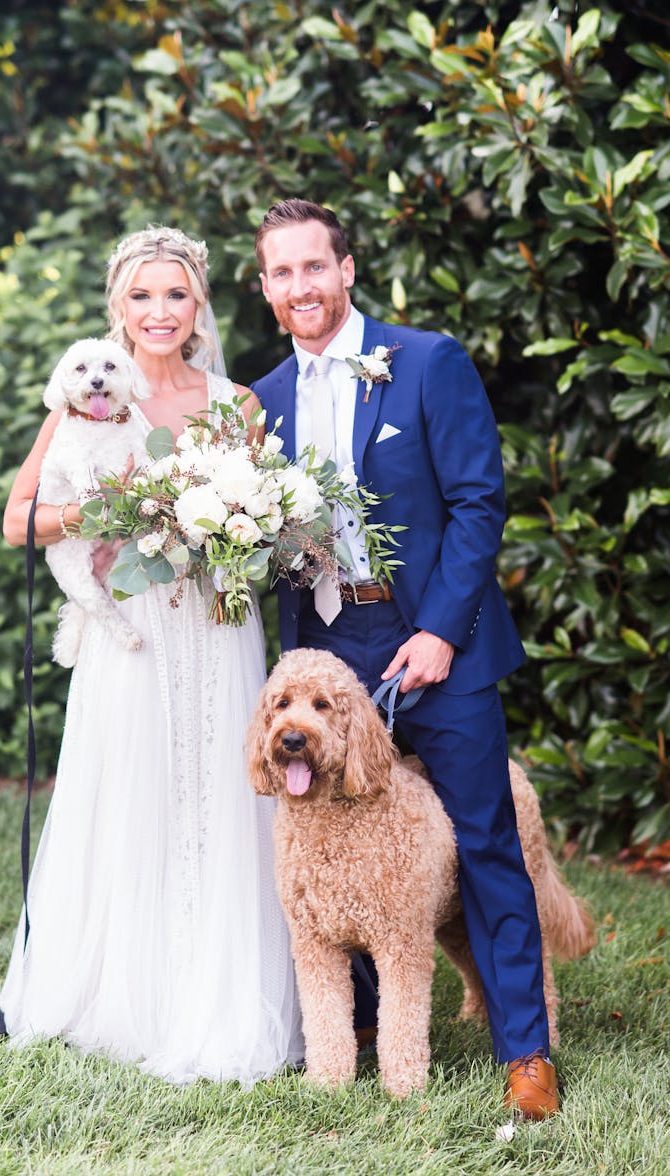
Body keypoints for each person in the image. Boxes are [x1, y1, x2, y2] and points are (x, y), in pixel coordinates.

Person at [251, 198, 558, 1119]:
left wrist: (441, 630)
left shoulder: (427, 362)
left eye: (315, 267)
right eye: (282, 273)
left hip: (437, 642)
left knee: (486, 841)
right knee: (340, 839)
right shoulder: (260, 403)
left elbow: (477, 504)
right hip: (329, 650)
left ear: (346, 270)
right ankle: (373, 1029)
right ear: (264, 288)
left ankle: (526, 1055)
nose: (301, 286)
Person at [0, 225, 303, 1085]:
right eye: (142, 296)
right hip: (130, 629)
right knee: (132, 793)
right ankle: (121, 996)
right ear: (118, 310)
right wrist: (103, 514)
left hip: (214, 622)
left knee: (218, 797)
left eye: (175, 294)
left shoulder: (235, 403)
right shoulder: (88, 402)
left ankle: (219, 997)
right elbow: (19, 519)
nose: (159, 312)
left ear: (198, 303)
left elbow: (259, 515)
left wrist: (234, 521)